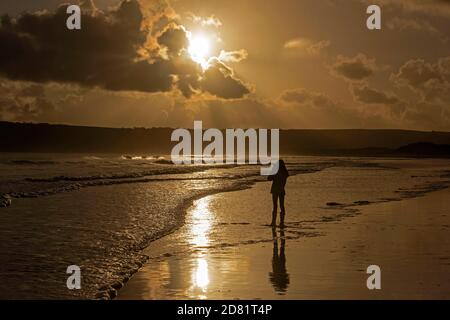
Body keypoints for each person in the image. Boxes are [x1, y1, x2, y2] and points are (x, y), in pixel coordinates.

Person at [268, 159, 289, 227]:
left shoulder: (276, 172)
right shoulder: (285, 173)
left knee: (275, 206)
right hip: (281, 189)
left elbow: (269, 178)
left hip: (275, 189)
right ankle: (281, 222)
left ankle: (273, 222)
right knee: (281, 206)